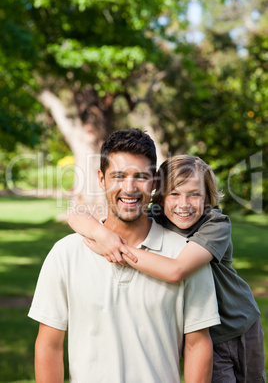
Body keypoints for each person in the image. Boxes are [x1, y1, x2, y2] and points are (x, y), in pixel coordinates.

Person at [28, 129, 220, 383]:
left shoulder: (186, 255)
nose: (129, 188)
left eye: (140, 177)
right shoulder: (66, 254)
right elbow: (49, 346)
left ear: (154, 182)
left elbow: (197, 346)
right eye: (118, 176)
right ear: (101, 179)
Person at [68, 154, 266, 383]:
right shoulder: (156, 217)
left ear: (208, 197)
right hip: (206, 335)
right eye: (174, 194)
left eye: (194, 194)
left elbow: (176, 270)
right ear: (160, 197)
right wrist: (102, 234)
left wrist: (115, 249)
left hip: (242, 324)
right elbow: (77, 214)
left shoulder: (215, 224)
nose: (184, 204)